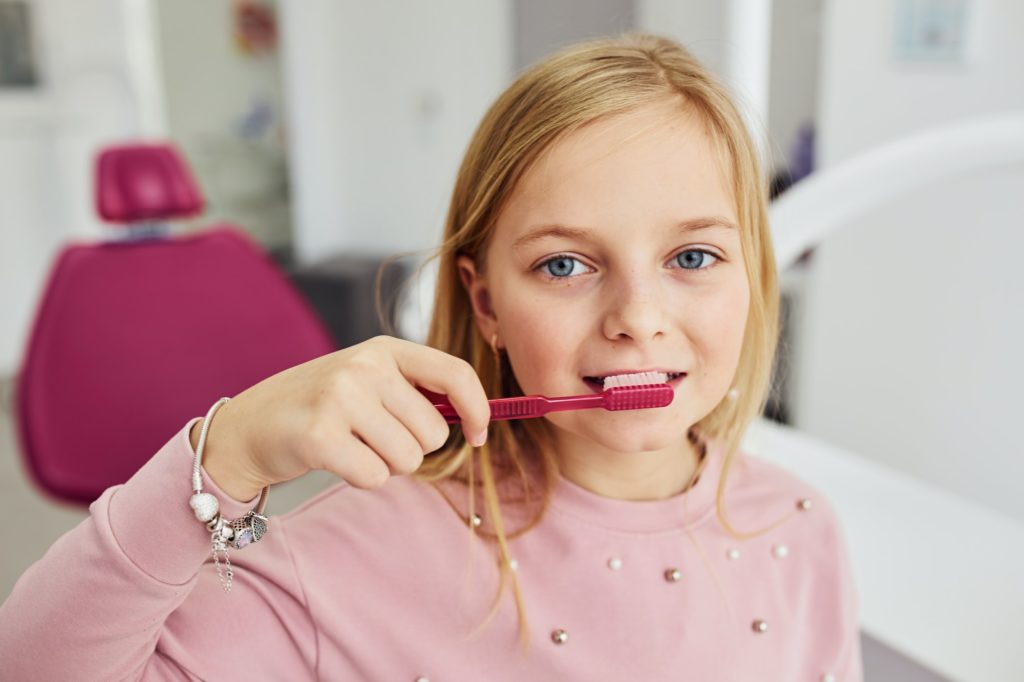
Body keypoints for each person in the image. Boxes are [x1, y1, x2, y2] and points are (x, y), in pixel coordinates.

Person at [0, 33, 862, 681]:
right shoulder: (361, 550)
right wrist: (226, 451)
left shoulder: (803, 527)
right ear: (485, 302)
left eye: (693, 258)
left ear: (752, 275)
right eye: (565, 264)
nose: (638, 319)